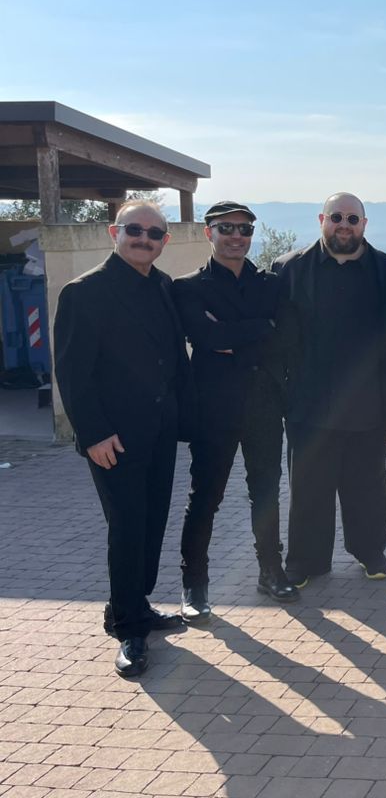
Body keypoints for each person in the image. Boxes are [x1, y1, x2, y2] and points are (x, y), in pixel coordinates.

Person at [53, 200, 190, 677]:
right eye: (135, 230)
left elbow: (173, 359)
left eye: (154, 233)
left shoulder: (164, 286)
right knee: (128, 527)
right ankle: (130, 629)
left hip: (160, 431)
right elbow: (73, 373)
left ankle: (132, 605)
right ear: (115, 232)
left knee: (152, 522)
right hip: (113, 439)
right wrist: (93, 434)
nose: (143, 239)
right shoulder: (84, 292)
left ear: (164, 241)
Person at [173, 201, 298, 624]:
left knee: (266, 492)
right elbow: (206, 338)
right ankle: (194, 585)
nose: (236, 236)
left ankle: (271, 571)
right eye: (226, 228)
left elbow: (285, 338)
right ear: (208, 232)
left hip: (265, 404)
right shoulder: (188, 287)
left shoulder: (271, 284)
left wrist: (232, 337)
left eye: (244, 229)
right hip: (214, 408)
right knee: (206, 496)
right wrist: (259, 328)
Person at [273, 193, 386, 589]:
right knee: (308, 487)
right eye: (337, 217)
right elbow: (275, 334)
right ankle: (306, 561)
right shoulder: (288, 268)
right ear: (322, 220)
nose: (344, 225)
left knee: (368, 485)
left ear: (364, 224)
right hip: (307, 401)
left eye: (352, 219)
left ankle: (370, 551)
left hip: (369, 400)